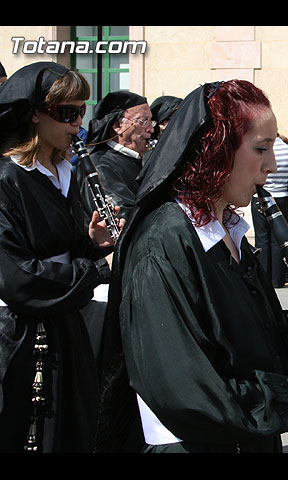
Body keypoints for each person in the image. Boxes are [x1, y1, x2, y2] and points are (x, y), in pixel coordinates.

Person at [94, 79, 288, 453]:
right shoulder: (164, 241)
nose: (271, 166)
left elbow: (248, 359)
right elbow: (184, 389)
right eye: (260, 149)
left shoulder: (229, 231)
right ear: (215, 151)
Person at [0, 61, 119, 452]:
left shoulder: (65, 170)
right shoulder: (8, 178)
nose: (76, 124)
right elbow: (16, 275)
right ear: (34, 112)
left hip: (64, 323)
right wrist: (98, 268)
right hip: (22, 334)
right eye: (67, 113)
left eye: (82, 112)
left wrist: (93, 242)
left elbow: (60, 248)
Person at [76, 90, 153, 223]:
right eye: (144, 121)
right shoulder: (100, 167)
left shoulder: (140, 158)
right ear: (118, 126)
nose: (151, 129)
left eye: (151, 121)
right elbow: (124, 216)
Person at [250, 134, 288, 287]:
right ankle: (277, 280)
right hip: (283, 197)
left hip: (261, 196)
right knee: (279, 242)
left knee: (262, 239)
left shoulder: (264, 150)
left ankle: (264, 278)